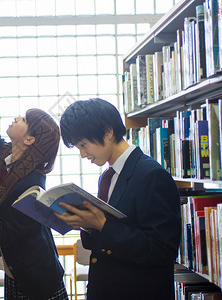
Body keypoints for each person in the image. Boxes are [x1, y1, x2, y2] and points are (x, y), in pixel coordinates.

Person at [0, 54, 68, 300]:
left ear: (29, 139)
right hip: (14, 272)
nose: (17, 118)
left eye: (23, 119)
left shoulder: (32, 183)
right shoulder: (5, 155)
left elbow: (5, 233)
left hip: (38, 279)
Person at [56, 98, 181, 300]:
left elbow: (162, 251)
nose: (82, 154)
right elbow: (101, 243)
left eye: (83, 144)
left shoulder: (151, 175)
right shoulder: (108, 177)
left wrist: (102, 224)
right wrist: (86, 223)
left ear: (107, 132)